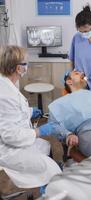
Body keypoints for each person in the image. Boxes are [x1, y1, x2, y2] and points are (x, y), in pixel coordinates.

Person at [0, 45, 61, 188]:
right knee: (53, 171)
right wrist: (38, 131)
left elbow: (12, 113)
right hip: (8, 149)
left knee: (45, 146)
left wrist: (29, 112)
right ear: (17, 68)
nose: (27, 66)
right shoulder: (5, 94)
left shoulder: (7, 84)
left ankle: (44, 183)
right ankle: (48, 190)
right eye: (25, 63)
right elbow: (10, 135)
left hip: (17, 141)